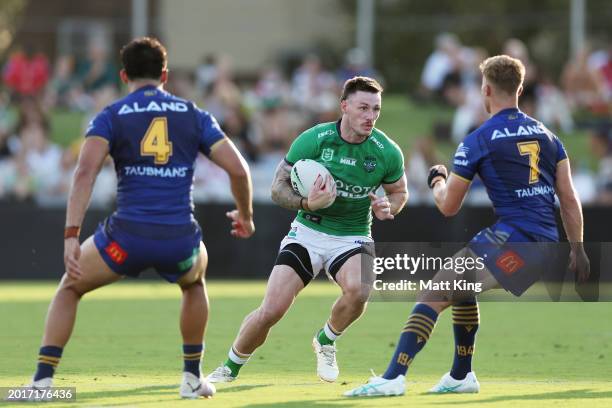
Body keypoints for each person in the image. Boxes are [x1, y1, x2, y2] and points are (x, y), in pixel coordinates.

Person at [345, 55, 590, 397]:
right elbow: (569, 199)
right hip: (544, 244)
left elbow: (448, 206)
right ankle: (461, 375)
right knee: (461, 288)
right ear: (519, 89)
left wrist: (437, 178)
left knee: (433, 293)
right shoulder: (548, 136)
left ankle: (392, 377)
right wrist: (577, 248)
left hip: (513, 239)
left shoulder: (480, 138)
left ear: (486, 89)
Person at [26, 37, 254, 400]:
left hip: (124, 241)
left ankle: (42, 382)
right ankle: (192, 379)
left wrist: (71, 235)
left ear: (123, 75)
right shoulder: (194, 115)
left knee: (70, 287)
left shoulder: (111, 115)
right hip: (178, 240)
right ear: (165, 74)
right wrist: (245, 215)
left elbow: (84, 173)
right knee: (194, 283)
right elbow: (239, 171)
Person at [207, 76, 408, 384]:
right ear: (344, 107)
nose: (370, 116)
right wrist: (307, 203)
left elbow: (399, 193)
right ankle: (229, 368)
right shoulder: (314, 140)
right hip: (308, 232)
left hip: (352, 234)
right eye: (363, 108)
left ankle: (326, 340)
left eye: (376, 109)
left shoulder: (386, 151)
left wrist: (388, 207)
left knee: (360, 290)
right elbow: (277, 189)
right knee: (271, 310)